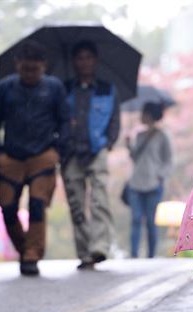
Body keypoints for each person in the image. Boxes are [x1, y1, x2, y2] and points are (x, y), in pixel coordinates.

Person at [0, 40, 70, 276]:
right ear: (17, 65)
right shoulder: (4, 87)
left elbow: (65, 121)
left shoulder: (54, 88)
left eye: (34, 69)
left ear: (43, 66)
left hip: (43, 155)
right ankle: (24, 248)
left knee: (37, 205)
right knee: (7, 208)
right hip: (10, 157)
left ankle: (32, 255)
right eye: (26, 69)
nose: (30, 74)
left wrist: (57, 151)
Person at [62, 40, 120, 270]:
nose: (84, 62)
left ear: (95, 60)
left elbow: (115, 119)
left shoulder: (107, 88)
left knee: (99, 199)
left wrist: (109, 142)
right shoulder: (64, 89)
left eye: (88, 57)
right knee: (76, 202)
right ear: (74, 62)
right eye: (79, 57)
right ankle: (84, 253)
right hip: (70, 152)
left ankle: (100, 246)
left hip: (98, 150)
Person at [125, 102, 172, 258]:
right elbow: (135, 158)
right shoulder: (139, 135)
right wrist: (128, 146)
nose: (141, 116)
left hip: (153, 183)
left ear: (151, 115)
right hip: (136, 183)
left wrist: (160, 176)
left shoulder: (162, 136)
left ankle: (151, 255)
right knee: (136, 219)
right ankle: (134, 254)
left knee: (151, 221)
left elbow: (169, 159)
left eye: (144, 113)